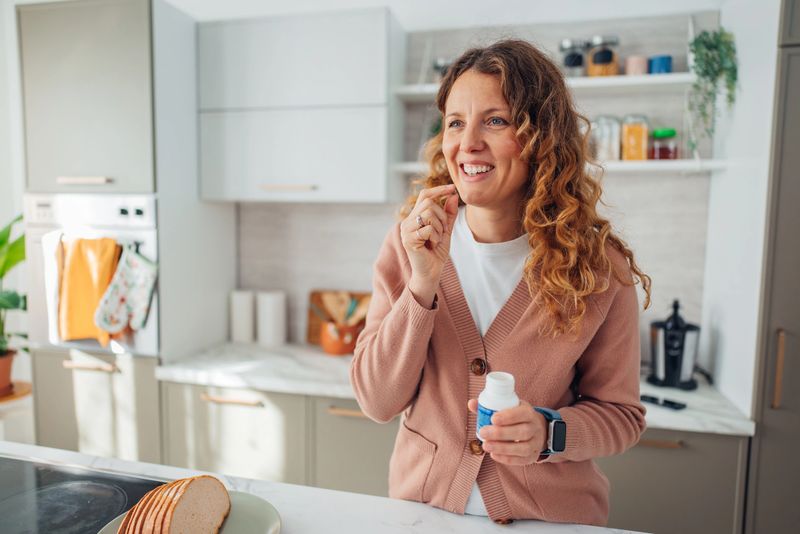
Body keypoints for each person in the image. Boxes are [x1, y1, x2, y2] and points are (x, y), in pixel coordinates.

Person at [350, 39, 652, 527]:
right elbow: (376, 400)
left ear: (540, 138)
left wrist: (550, 433)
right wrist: (421, 286)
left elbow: (621, 417)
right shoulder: (411, 243)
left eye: (495, 120)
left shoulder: (597, 268)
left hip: (550, 520)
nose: (467, 143)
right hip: (423, 515)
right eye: (454, 122)